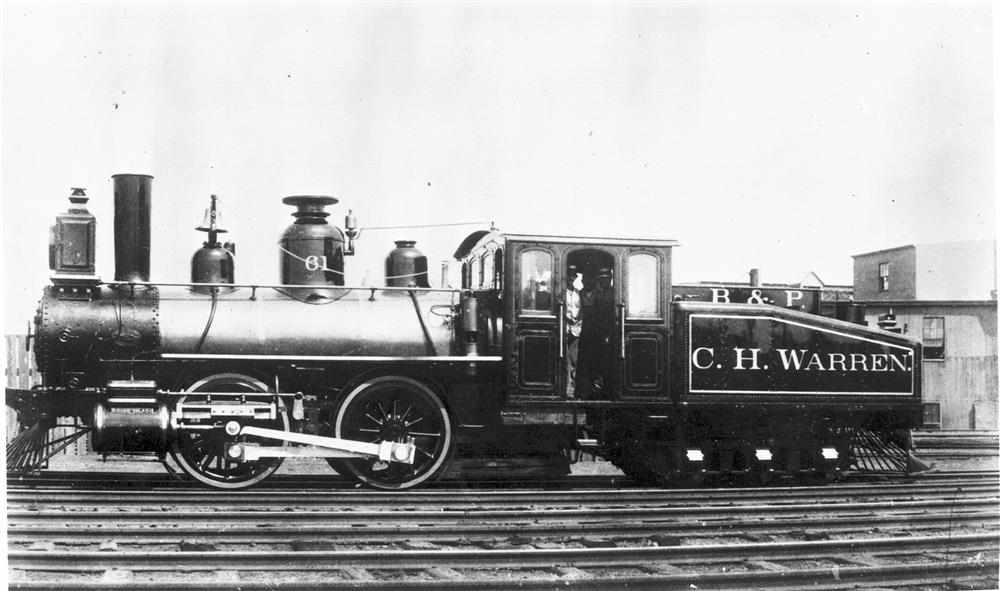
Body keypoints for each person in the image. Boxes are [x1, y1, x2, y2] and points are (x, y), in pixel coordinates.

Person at [577, 266, 614, 398]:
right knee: (585, 361)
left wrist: (607, 333)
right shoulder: (581, 294)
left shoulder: (606, 294)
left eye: (606, 278)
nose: (588, 282)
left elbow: (608, 315)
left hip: (601, 332)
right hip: (586, 331)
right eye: (585, 279)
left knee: (601, 362)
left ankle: (599, 390)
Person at [563, 266, 582, 396]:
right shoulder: (561, 292)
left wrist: (579, 324)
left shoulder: (578, 293)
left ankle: (573, 391)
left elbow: (581, 312)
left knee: (575, 360)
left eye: (573, 276)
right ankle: (566, 390)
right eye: (568, 275)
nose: (570, 278)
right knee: (565, 361)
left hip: (575, 330)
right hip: (563, 328)